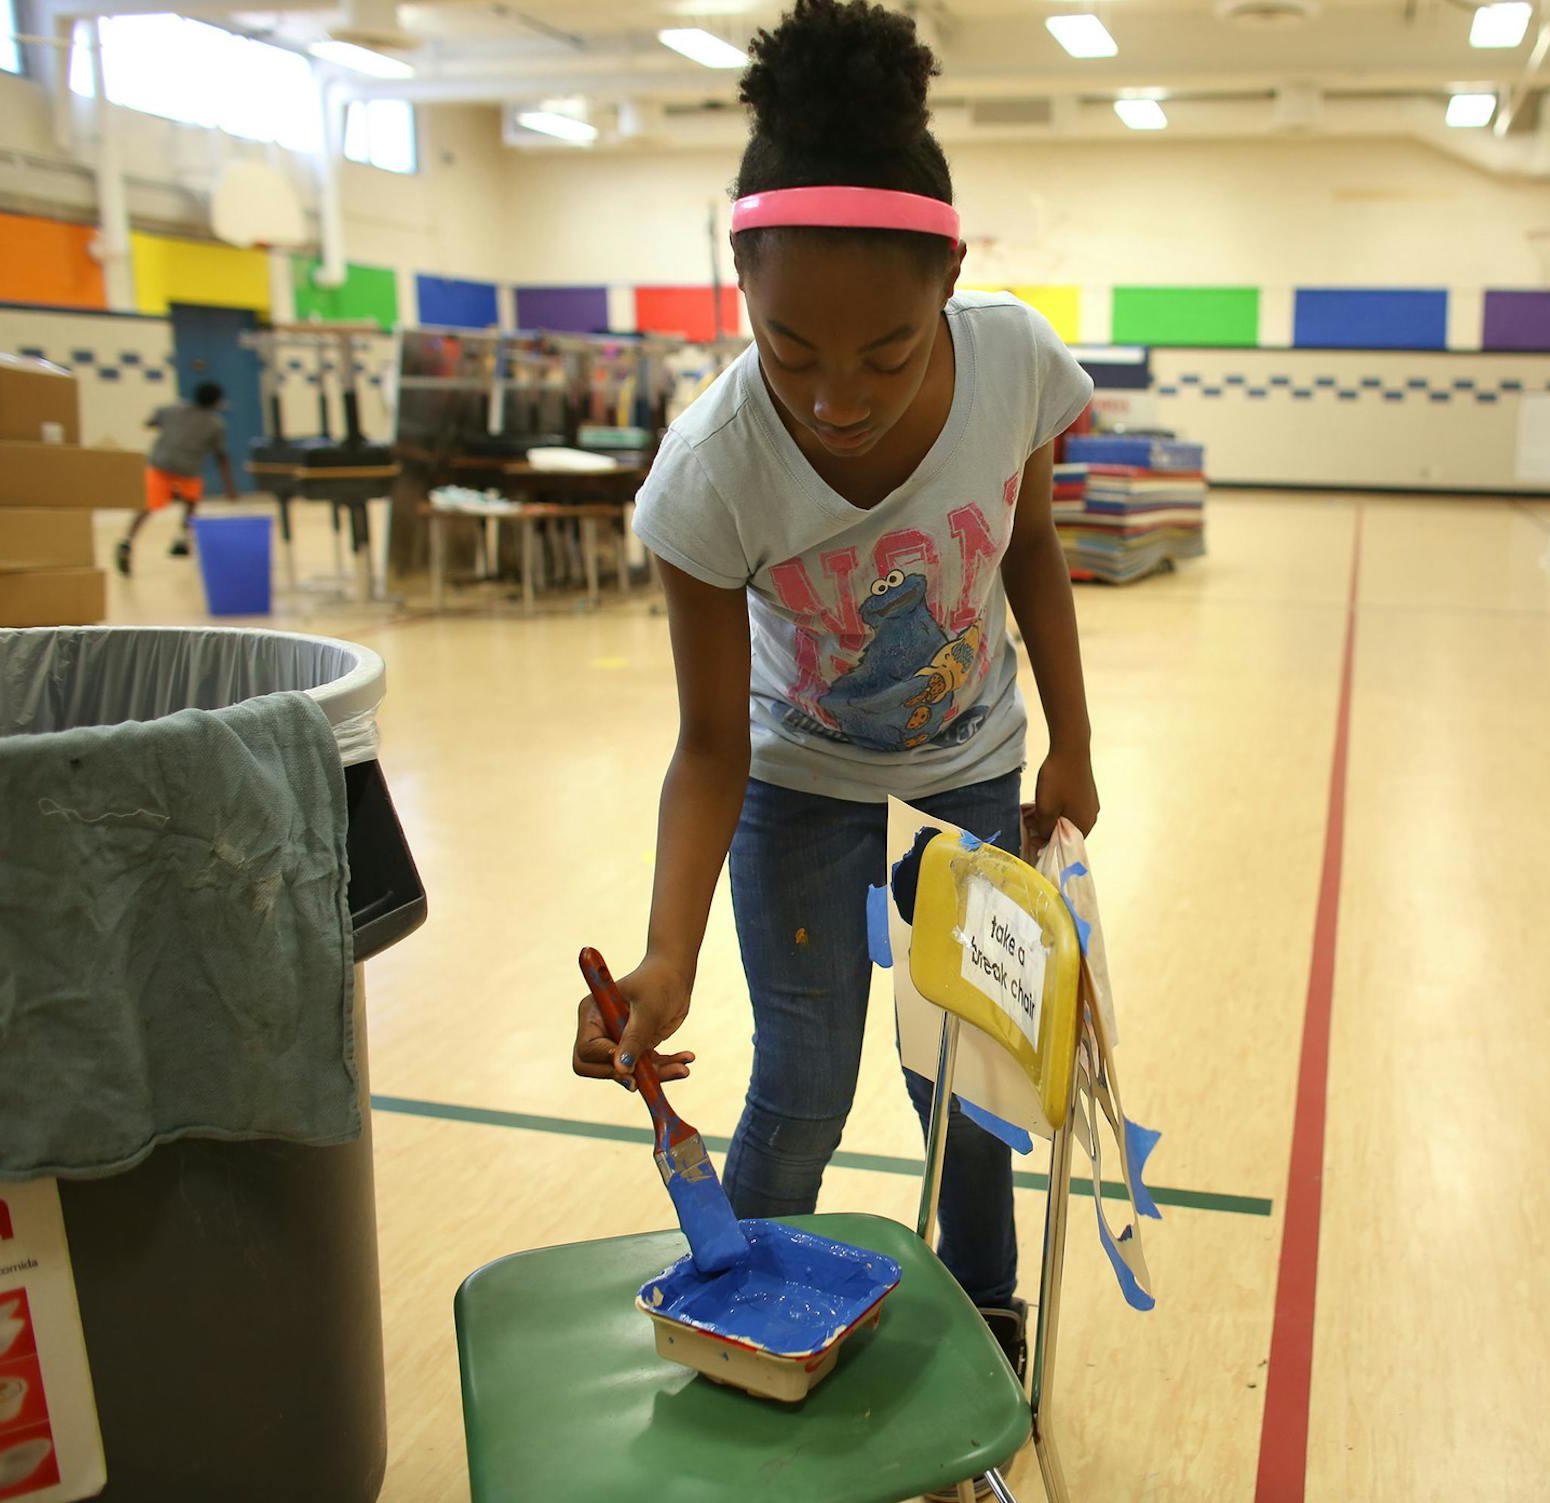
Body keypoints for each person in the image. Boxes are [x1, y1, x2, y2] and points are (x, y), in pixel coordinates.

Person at [567, 0, 1099, 1481]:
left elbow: (1034, 553)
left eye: (885, 350)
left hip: (969, 762)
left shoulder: (1011, 370)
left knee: (964, 1085)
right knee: (801, 1072)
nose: (837, 398)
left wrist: (1072, 742)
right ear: (737, 278)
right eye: (790, 347)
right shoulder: (709, 475)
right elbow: (708, 750)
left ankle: (985, 1313)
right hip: (792, 777)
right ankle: (737, 1319)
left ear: (952, 279)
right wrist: (664, 960)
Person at [117, 380, 241, 576]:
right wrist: (230, 487)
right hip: (187, 471)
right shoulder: (215, 424)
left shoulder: (172, 410)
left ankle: (127, 542)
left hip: (160, 466)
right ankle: (182, 539)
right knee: (191, 503)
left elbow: (149, 422)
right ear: (217, 402)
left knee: (147, 508)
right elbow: (221, 457)